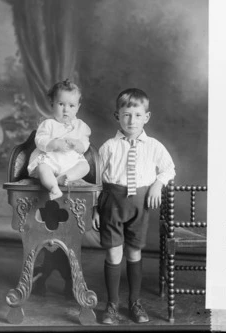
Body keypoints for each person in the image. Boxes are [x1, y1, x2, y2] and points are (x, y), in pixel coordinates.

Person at [92, 88, 175, 325]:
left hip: (139, 207)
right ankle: (112, 306)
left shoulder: (154, 146)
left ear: (146, 117)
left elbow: (169, 169)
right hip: (112, 205)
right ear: (117, 115)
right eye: (127, 114)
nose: (132, 120)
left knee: (134, 252)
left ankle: (135, 302)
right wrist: (95, 208)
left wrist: (158, 184)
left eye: (138, 115)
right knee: (113, 253)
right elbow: (96, 180)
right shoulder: (108, 146)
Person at [27, 79, 91, 201]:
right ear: (52, 104)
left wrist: (79, 145)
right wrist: (53, 143)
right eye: (61, 104)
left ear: (78, 107)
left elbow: (85, 142)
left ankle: (65, 177)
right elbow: (40, 140)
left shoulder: (81, 126)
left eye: (71, 106)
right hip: (51, 160)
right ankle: (54, 187)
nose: (66, 110)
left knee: (84, 166)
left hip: (70, 161)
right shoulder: (48, 124)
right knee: (42, 168)